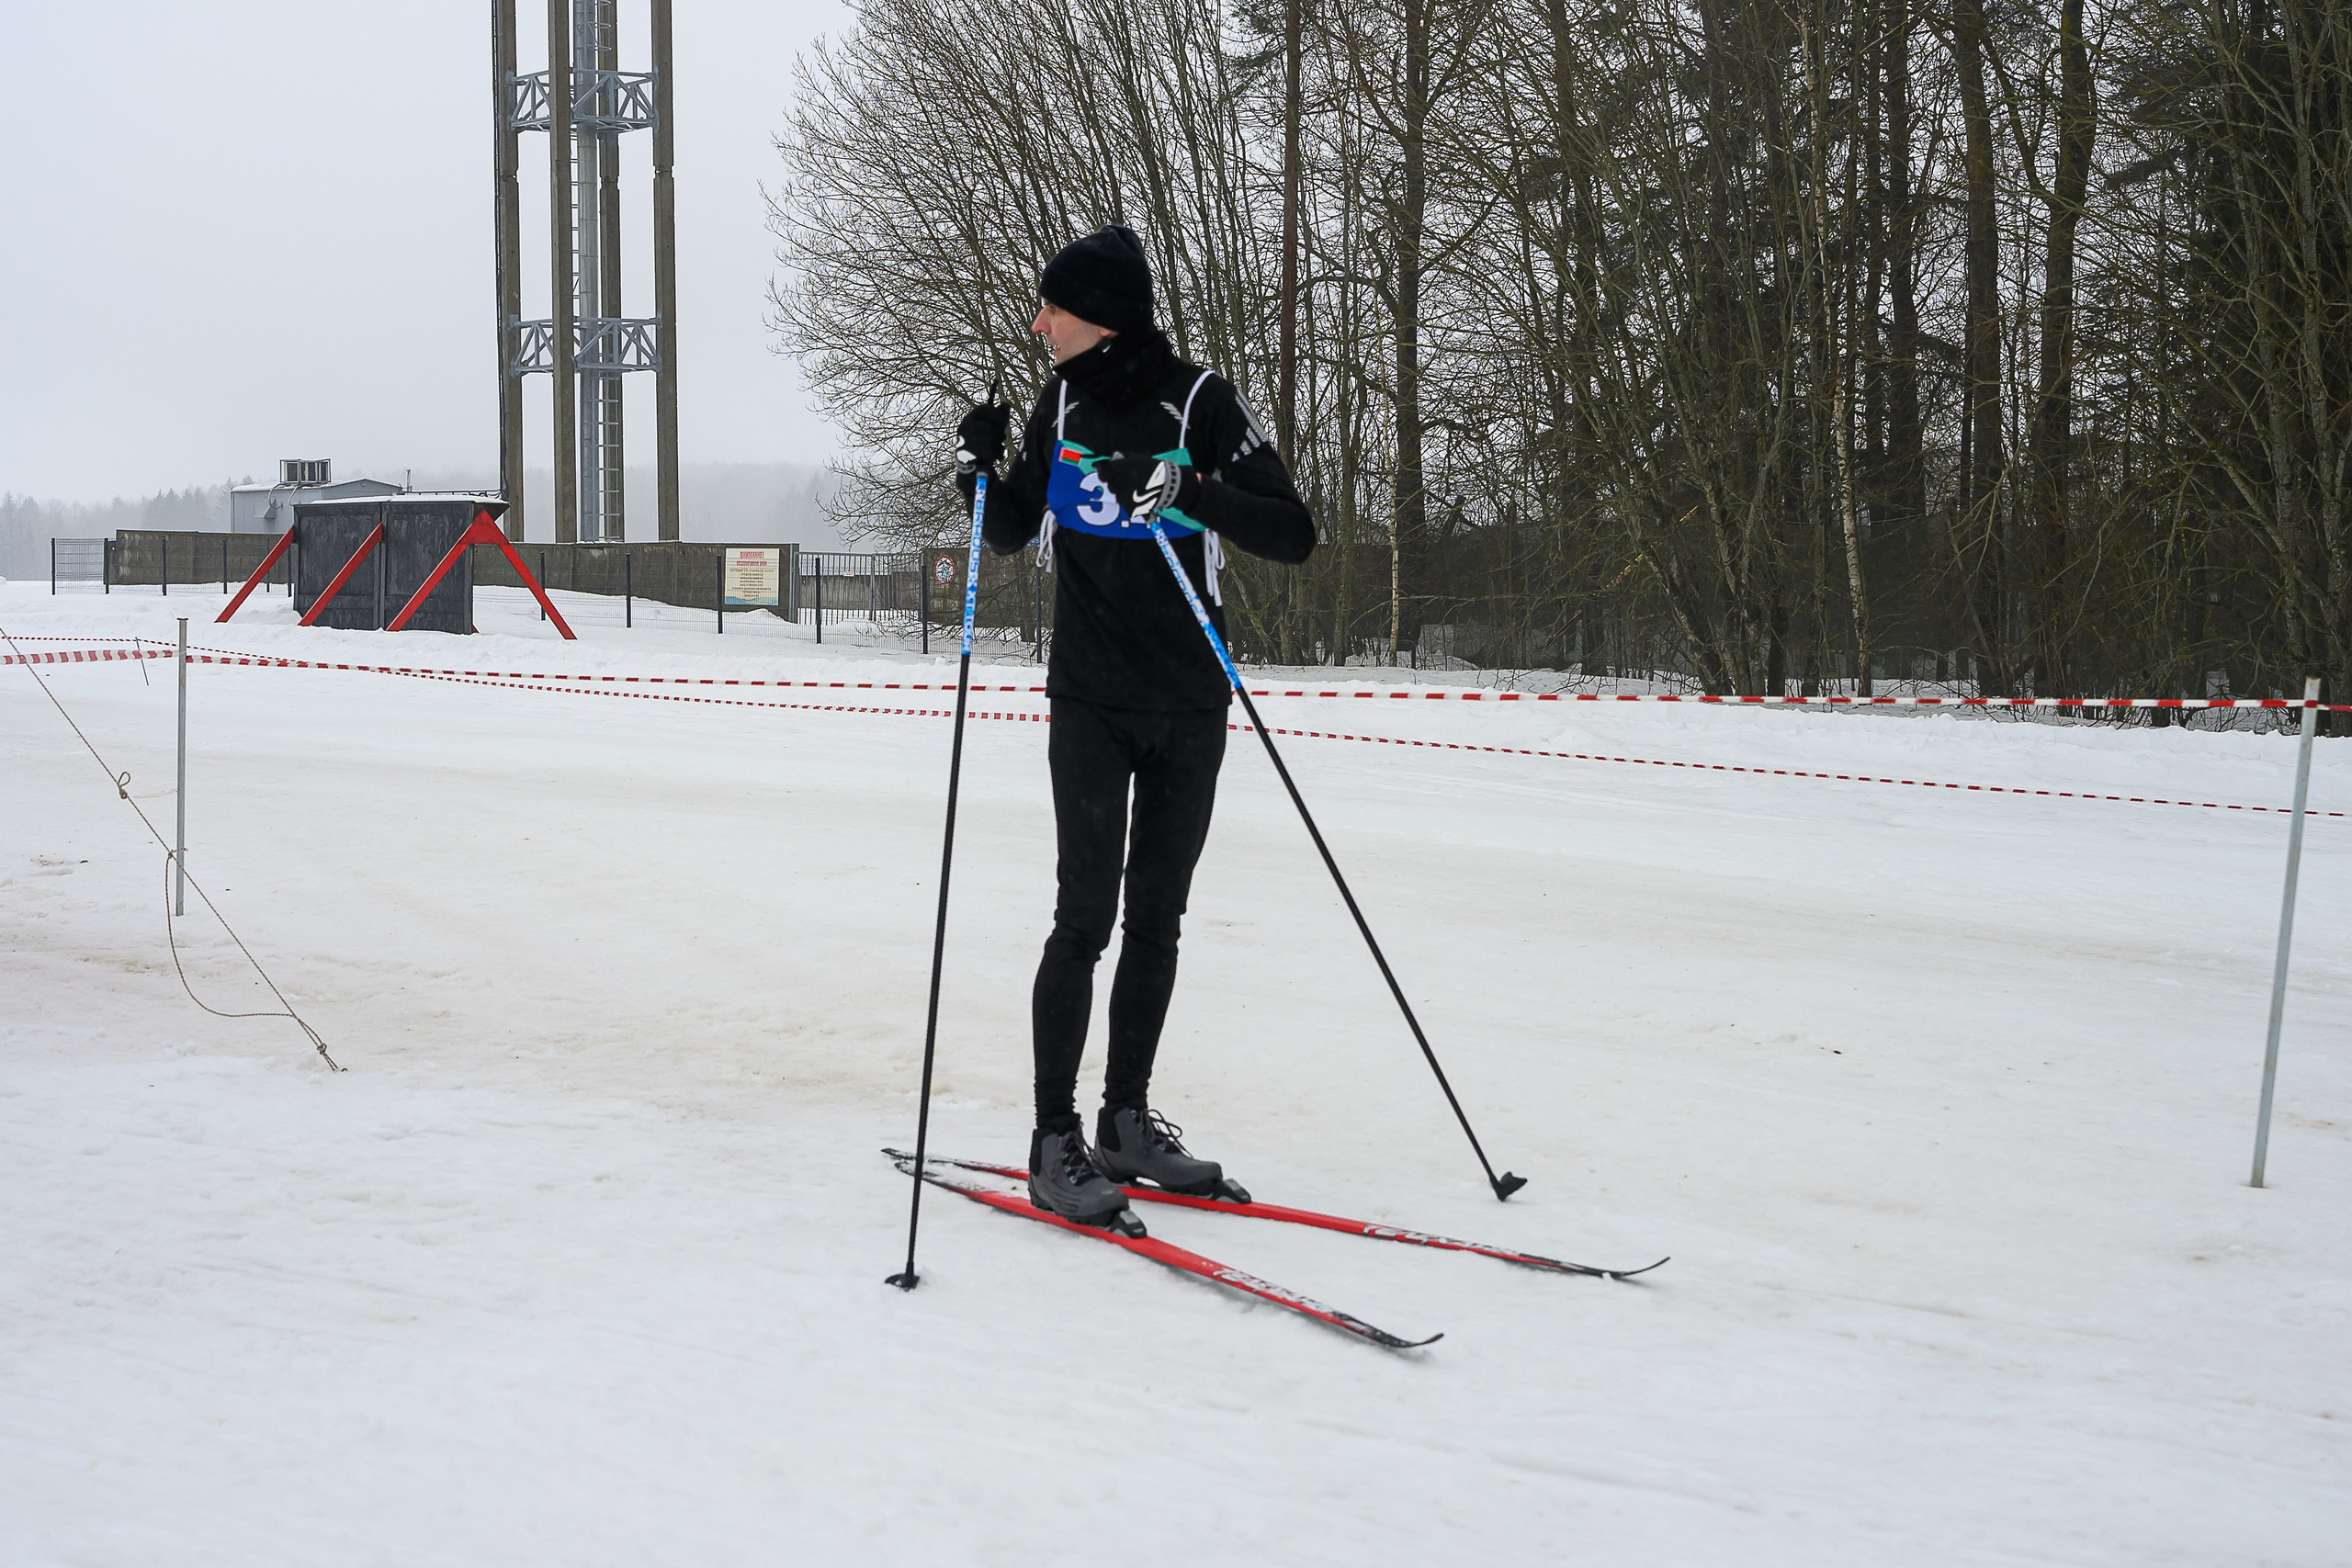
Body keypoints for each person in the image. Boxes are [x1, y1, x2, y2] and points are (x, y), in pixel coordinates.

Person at [955, 225, 1315, 1228]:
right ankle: (1052, 1138)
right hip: (1089, 699)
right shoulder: (1058, 401)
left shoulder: (1198, 401)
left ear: (1097, 314)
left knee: (1157, 919)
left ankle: (1123, 1123)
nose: (1038, 324)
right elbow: (1016, 526)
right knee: (1084, 918)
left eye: (1052, 308)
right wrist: (983, 471)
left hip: (1190, 699)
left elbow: (1293, 531)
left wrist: (1193, 491)